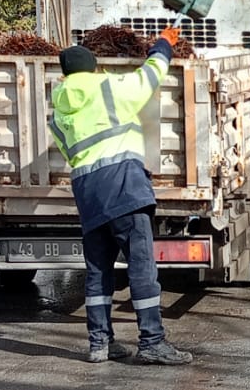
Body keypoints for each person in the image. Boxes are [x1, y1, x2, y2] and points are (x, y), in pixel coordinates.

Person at [49, 40, 194, 366]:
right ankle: (152, 341)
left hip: (88, 194)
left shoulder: (57, 113)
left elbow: (71, 154)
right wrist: (163, 47)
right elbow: (149, 78)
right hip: (124, 187)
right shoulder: (109, 87)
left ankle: (100, 344)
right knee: (141, 268)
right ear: (93, 68)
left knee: (98, 271)